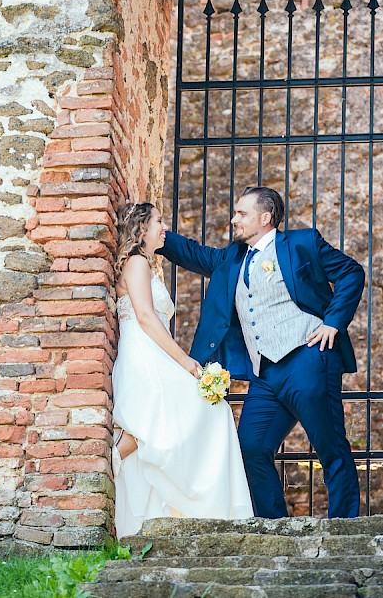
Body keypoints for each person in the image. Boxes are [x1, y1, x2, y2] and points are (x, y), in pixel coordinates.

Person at [157, 186, 365, 519]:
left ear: (265, 218)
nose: (233, 219)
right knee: (252, 447)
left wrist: (333, 323)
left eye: (241, 213)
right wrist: (154, 234)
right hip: (265, 375)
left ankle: (344, 524)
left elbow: (352, 273)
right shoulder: (232, 258)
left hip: (307, 359)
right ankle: (274, 526)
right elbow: (194, 253)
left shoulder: (301, 244)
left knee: (329, 444)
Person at [111, 201, 253, 537]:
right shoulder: (135, 262)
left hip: (151, 354)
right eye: (159, 222)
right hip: (145, 356)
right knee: (204, 409)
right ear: (141, 229)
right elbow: (145, 317)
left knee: (169, 421)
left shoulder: (146, 264)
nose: (165, 229)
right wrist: (185, 361)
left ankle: (170, 499)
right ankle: (117, 467)